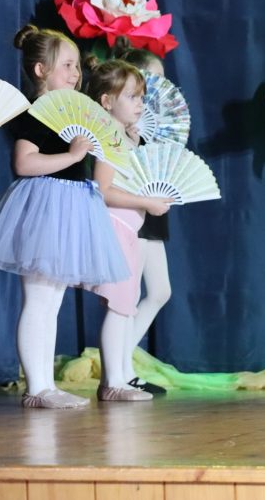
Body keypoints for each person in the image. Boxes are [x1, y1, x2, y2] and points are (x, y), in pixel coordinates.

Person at [0, 26, 129, 409]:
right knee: (39, 298)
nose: (76, 73)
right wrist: (72, 156)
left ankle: (45, 384)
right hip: (44, 204)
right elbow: (24, 163)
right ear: (41, 70)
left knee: (52, 301)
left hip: (72, 205)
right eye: (67, 65)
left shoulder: (74, 110)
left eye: (77, 66)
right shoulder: (37, 113)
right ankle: (36, 387)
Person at [84, 57, 174, 401]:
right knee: (120, 304)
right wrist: (145, 202)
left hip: (129, 228)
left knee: (127, 303)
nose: (140, 104)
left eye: (141, 97)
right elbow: (103, 189)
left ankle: (119, 377)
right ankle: (113, 381)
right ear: (107, 102)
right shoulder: (109, 138)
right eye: (133, 97)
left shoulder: (123, 137)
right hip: (118, 228)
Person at [112, 40, 174, 395]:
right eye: (152, 78)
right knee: (130, 293)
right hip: (132, 211)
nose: (158, 86)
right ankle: (120, 369)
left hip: (153, 209)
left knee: (160, 290)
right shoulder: (121, 123)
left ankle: (123, 362)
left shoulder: (156, 123)